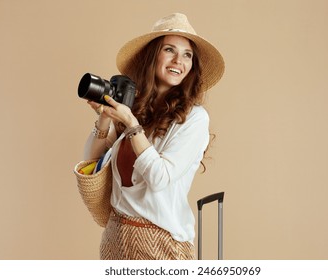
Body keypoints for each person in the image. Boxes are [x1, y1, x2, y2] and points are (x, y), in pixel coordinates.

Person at [83, 13, 224, 260]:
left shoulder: (194, 118)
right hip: (115, 237)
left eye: (187, 54)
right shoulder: (135, 107)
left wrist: (130, 123)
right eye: (169, 50)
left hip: (160, 243)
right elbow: (91, 164)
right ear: (153, 56)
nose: (178, 60)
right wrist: (105, 116)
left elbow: (160, 178)